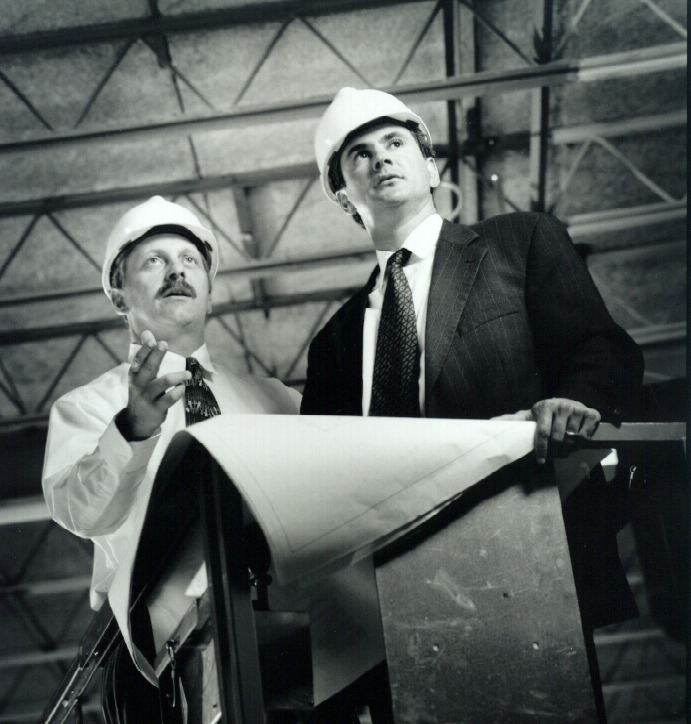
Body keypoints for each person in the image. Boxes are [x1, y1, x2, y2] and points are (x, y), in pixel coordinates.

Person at [303, 87, 644, 650]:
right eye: (360, 154)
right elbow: (322, 477)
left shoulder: (520, 241)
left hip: (528, 540)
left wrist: (576, 402)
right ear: (343, 196)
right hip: (397, 587)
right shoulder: (333, 344)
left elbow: (599, 346)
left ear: (431, 168)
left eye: (395, 143)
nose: (382, 157)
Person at [42, 196, 300, 722]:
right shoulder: (88, 407)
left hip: (283, 638)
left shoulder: (278, 400)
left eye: (190, 260)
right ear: (119, 294)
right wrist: (132, 430)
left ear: (210, 293)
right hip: (154, 664)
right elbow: (82, 513)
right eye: (154, 261)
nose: (177, 271)